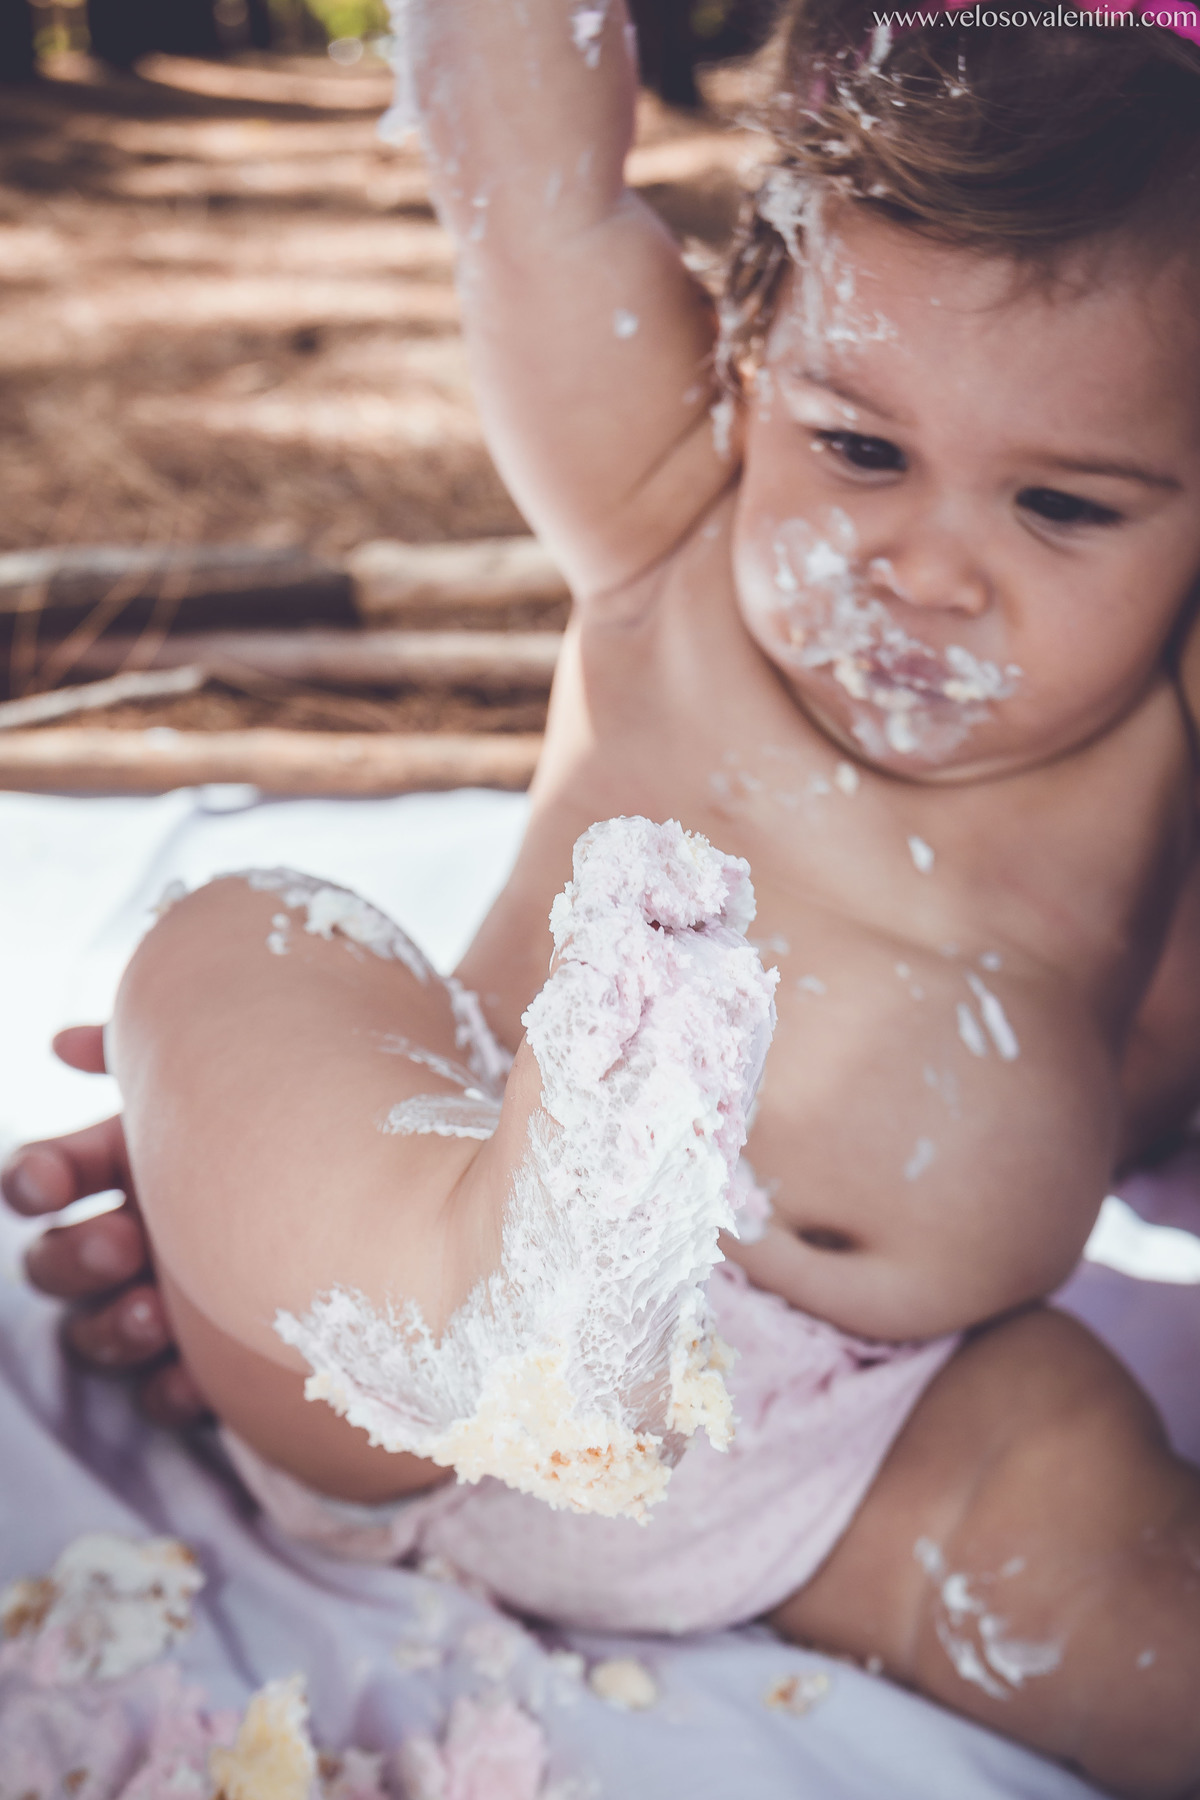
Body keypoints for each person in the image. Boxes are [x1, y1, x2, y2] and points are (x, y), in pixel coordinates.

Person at [7, 3, 1200, 1789]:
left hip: (860, 1445)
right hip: (410, 1335)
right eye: (860, 451)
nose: (929, 566)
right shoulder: (670, 521)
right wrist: (275, 1173)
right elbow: (539, 183)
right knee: (245, 938)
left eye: (1067, 507)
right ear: (741, 374)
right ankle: (498, 1288)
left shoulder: (1166, 743)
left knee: (1128, 1575)